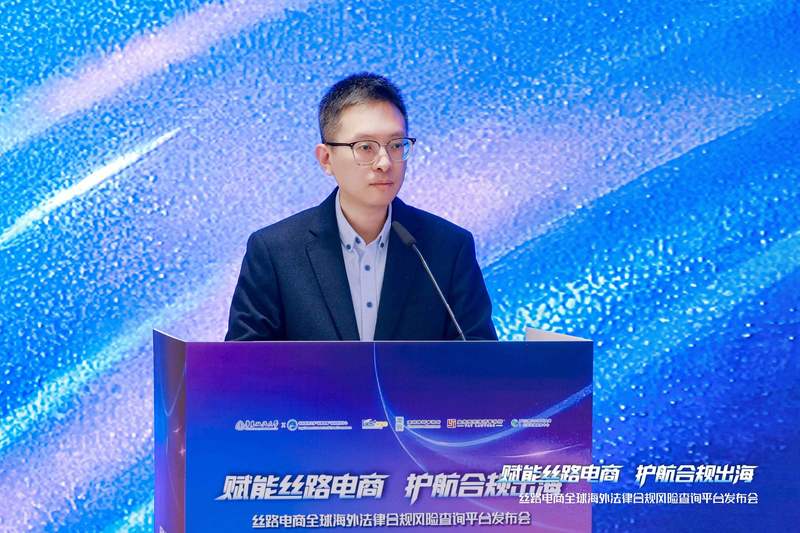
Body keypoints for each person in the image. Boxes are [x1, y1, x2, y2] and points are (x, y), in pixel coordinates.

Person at [225, 73, 497, 341]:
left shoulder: (448, 248)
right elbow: (242, 362)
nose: (384, 162)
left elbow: (479, 358)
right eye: (365, 147)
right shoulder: (275, 252)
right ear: (326, 158)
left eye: (396, 145)